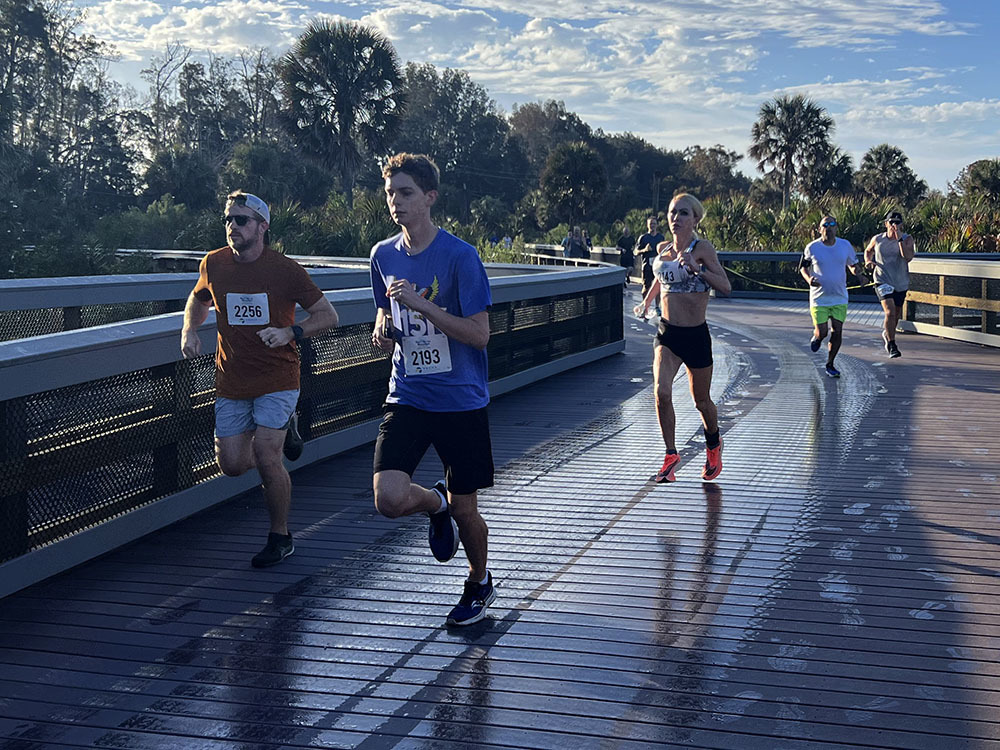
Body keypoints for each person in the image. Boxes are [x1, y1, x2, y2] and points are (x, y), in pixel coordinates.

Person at [370, 153, 496, 627]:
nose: (395, 203)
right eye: (389, 194)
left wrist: (423, 310)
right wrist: (382, 326)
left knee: (468, 511)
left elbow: (480, 334)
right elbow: (385, 310)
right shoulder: (382, 255)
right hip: (408, 393)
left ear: (429, 197)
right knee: (388, 498)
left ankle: (479, 581)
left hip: (460, 399)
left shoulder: (461, 257)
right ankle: (433, 502)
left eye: (405, 193)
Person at [181, 191, 338, 567]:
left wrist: (291, 333)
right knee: (232, 464)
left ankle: (280, 536)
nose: (232, 226)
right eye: (228, 219)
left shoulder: (285, 270)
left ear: (262, 226)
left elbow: (327, 315)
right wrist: (189, 329)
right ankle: (287, 431)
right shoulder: (214, 263)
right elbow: (198, 299)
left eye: (241, 220)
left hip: (278, 376)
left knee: (268, 456)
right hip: (232, 379)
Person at [633, 194, 731, 484]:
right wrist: (647, 302)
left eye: (683, 213)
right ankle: (670, 454)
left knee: (701, 401)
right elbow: (659, 280)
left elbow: (725, 286)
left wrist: (696, 267)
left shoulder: (702, 249)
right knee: (662, 393)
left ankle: (713, 443)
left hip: (696, 334)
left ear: (695, 219)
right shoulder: (663, 248)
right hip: (668, 333)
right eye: (672, 212)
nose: (676, 218)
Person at [800, 215, 863, 378]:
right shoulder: (812, 247)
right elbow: (803, 268)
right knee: (823, 332)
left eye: (832, 224)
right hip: (819, 298)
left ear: (836, 228)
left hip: (839, 297)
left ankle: (830, 364)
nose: (829, 227)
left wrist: (857, 273)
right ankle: (817, 337)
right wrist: (809, 279)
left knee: (837, 331)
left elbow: (852, 264)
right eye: (825, 224)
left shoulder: (845, 245)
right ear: (819, 229)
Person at [864, 210, 916, 358]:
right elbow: (868, 251)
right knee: (890, 311)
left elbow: (908, 257)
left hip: (900, 282)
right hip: (882, 279)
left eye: (897, 222)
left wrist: (899, 239)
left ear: (902, 225)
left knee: (896, 314)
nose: (894, 225)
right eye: (891, 222)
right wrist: (868, 261)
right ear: (886, 224)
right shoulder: (878, 239)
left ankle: (888, 334)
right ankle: (892, 344)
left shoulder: (907, 239)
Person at [636, 215, 665, 298]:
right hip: (647, 266)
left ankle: (657, 307)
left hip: (658, 266)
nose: (652, 225)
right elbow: (636, 252)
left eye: (654, 224)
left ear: (657, 225)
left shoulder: (661, 237)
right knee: (646, 287)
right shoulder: (643, 238)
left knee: (658, 287)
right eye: (651, 224)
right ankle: (645, 306)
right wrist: (644, 250)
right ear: (647, 225)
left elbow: (665, 251)